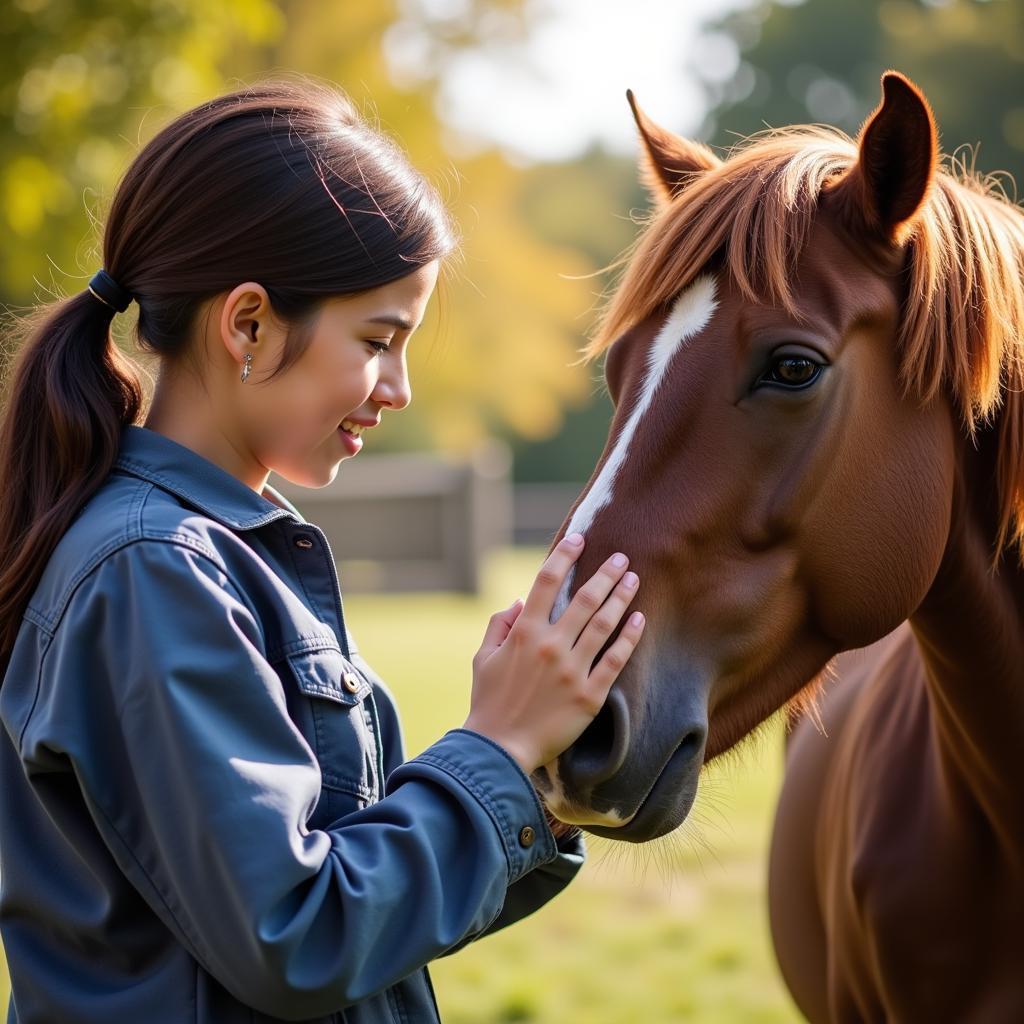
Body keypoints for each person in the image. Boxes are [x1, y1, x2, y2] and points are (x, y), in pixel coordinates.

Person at [0, 77, 645, 1024]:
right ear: (249, 324)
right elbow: (296, 937)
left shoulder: (209, 555)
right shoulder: (153, 571)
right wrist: (494, 749)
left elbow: (352, 917)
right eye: (381, 339)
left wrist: (543, 786)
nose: (401, 389)